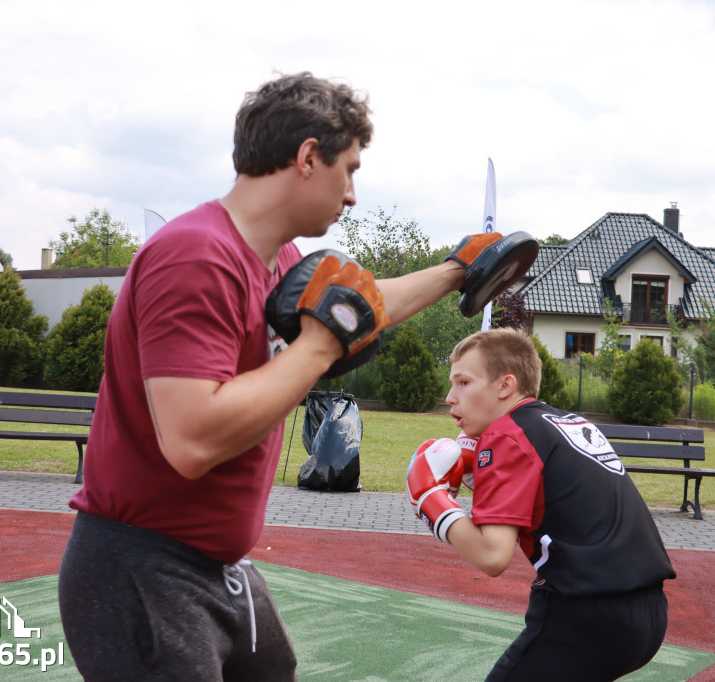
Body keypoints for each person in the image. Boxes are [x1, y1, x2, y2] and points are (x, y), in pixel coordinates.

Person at [57, 72, 503, 681]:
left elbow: (365, 305)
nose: (351, 195)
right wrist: (319, 345)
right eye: (348, 170)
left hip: (218, 567)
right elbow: (191, 441)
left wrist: (457, 271)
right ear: (307, 158)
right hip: (142, 566)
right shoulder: (196, 255)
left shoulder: (280, 260)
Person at [406, 328, 676, 680]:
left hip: (586, 614)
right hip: (649, 614)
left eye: (463, 382)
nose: (450, 396)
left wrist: (431, 501)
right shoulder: (569, 422)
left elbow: (492, 556)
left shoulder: (506, 434)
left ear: (505, 386)